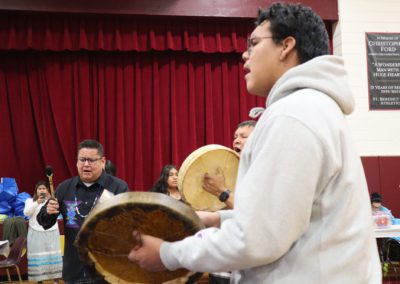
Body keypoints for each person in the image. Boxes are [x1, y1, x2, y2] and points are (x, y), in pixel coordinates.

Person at [127, 2, 381, 283]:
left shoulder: (294, 113)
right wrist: (218, 220)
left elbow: (258, 238)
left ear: (286, 46)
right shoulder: (311, 107)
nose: (244, 55)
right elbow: (287, 222)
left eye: (254, 43)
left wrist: (167, 254)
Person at [37, 139, 129, 283]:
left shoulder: (118, 187)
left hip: (107, 271)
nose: (86, 164)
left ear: (102, 161)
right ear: (77, 162)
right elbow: (44, 222)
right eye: (82, 160)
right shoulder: (64, 188)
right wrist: (48, 212)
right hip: (74, 271)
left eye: (91, 160)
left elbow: (128, 225)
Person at [202, 120, 256, 209]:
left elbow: (252, 212)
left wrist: (221, 191)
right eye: (235, 137)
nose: (236, 141)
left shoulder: (266, 170)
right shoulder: (231, 171)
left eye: (244, 136)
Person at [24, 181, 62, 284]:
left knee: (52, 255)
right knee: (38, 257)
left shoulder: (53, 201)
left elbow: (58, 211)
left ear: (47, 190)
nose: (41, 190)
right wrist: (37, 202)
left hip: (51, 232)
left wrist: (50, 199)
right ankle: (39, 280)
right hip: (35, 233)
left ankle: (56, 280)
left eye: (44, 188)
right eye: (39, 189)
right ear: (36, 190)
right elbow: (26, 213)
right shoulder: (30, 201)